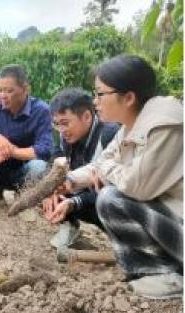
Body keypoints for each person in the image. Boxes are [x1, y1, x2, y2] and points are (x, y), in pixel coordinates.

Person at [65, 54, 183, 299]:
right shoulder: (129, 127)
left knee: (111, 199)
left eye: (100, 94)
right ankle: (163, 271)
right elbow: (100, 164)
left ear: (128, 97)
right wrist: (68, 181)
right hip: (173, 219)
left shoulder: (163, 126)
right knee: (109, 195)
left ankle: (167, 276)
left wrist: (106, 171)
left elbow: (135, 185)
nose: (95, 101)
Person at [0, 64, 52, 211]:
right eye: (0, 90)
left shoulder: (41, 110)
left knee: (39, 166)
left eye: (9, 91)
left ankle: (23, 198)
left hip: (24, 168)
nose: (3, 96)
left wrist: (7, 153)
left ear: (25, 89)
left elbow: (44, 150)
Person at [43, 88, 119, 248]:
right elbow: (54, 158)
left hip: (108, 198)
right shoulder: (66, 135)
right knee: (50, 189)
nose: (61, 130)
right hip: (82, 190)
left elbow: (114, 187)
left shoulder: (109, 135)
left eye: (65, 123)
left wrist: (74, 201)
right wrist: (50, 189)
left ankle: (126, 240)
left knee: (107, 198)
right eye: (56, 124)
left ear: (86, 116)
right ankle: (70, 227)